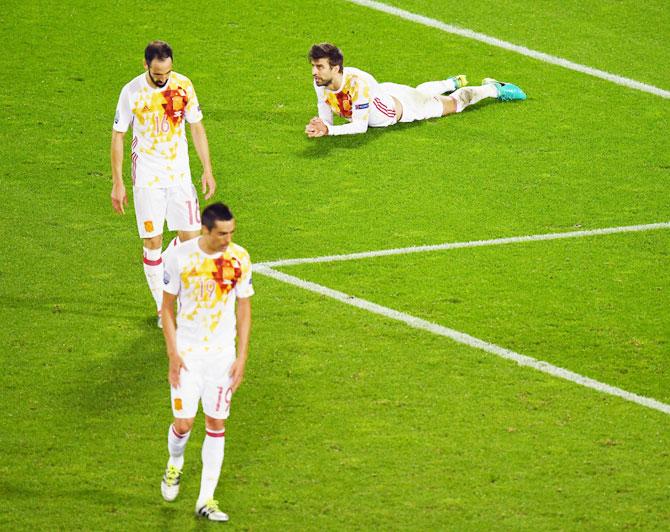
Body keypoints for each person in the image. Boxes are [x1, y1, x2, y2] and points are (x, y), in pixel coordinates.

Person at [111, 40, 216, 326]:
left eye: (167, 73)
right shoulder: (131, 92)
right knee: (152, 241)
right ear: (146, 65)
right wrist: (118, 182)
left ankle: (173, 264)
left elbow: (196, 126)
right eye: (157, 74)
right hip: (147, 177)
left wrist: (207, 168)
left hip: (179, 175)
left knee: (192, 242)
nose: (163, 79)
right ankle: (163, 307)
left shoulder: (183, 86)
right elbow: (118, 135)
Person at [160, 202, 253, 522]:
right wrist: (173, 353)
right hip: (187, 354)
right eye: (222, 233)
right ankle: (175, 463)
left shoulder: (239, 258)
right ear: (205, 230)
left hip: (222, 357)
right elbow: (167, 309)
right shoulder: (180, 257)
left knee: (216, 424)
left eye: (231, 232)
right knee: (183, 424)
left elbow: (244, 307)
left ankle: (206, 499)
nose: (228, 239)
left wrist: (241, 355)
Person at [305, 43, 526, 138]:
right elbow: (325, 111)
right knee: (420, 92)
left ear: (335, 68)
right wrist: (323, 127)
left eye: (320, 66)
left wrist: (328, 131)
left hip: (404, 108)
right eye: (314, 66)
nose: (314, 71)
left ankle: (493, 89)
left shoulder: (357, 84)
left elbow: (360, 127)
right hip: (388, 94)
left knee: (453, 105)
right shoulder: (321, 81)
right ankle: (450, 84)